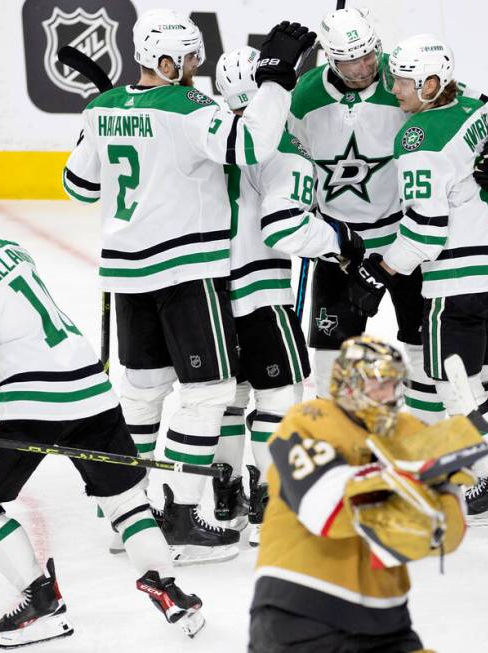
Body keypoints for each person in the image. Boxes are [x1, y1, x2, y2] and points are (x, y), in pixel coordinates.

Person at [62, 10, 317, 559]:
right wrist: (273, 77)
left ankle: (127, 518)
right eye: (190, 58)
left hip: (126, 275)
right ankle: (179, 520)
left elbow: (78, 185)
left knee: (142, 393)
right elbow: (252, 144)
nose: (196, 68)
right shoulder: (191, 108)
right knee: (209, 394)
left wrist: (96, 124)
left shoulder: (104, 108)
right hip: (186, 274)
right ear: (167, 59)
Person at [0, 182, 206, 646]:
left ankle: (41, 601)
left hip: (33, 402)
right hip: (93, 389)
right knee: (126, 499)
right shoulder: (12, 250)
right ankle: (168, 590)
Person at [347, 34, 488, 526]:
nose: (394, 89)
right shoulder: (476, 108)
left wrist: (380, 271)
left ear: (432, 83)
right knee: (482, 374)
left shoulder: (417, 138)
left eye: (403, 82)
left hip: (459, 277)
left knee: (450, 380)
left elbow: (425, 231)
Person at [288, 8, 488, 428]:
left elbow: (473, 107)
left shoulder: (405, 76)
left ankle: (423, 437)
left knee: (423, 346)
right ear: (331, 59)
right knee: (332, 353)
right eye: (351, 60)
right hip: (340, 246)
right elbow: (285, 154)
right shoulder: (303, 96)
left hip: (405, 240)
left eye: (370, 53)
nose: (366, 66)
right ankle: (340, 444)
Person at [210, 47, 364, 545]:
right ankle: (269, 502)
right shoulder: (285, 149)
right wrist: (340, 240)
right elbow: (284, 230)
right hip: (258, 293)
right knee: (278, 397)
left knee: (228, 398)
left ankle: (223, 495)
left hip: (205, 295)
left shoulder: (208, 139)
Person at [249, 335, 479, 652]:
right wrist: (408, 471)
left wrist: (448, 478)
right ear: (347, 383)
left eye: (394, 383)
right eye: (377, 383)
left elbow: (448, 534)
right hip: (300, 610)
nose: (388, 394)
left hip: (386, 619)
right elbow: (324, 510)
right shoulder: (308, 419)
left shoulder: (408, 430)